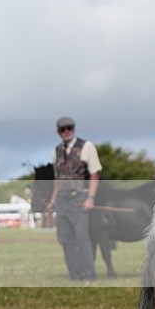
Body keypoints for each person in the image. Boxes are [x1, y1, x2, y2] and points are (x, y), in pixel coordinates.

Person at [45, 116, 102, 283]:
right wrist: (52, 201)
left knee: (81, 236)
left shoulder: (87, 146)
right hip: (62, 200)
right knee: (65, 238)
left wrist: (90, 197)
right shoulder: (56, 151)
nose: (66, 131)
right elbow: (57, 179)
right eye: (63, 129)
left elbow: (95, 173)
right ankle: (75, 274)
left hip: (80, 197)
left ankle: (88, 275)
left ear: (74, 129)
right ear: (58, 132)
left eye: (69, 128)